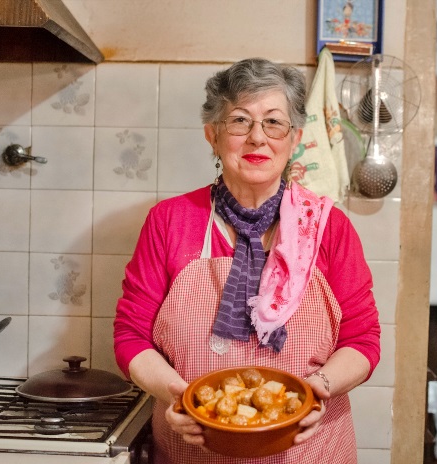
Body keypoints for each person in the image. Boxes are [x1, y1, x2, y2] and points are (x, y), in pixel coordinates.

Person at [114, 58, 381, 464]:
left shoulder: (329, 226)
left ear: (294, 139)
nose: (258, 138)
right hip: (192, 448)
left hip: (310, 450)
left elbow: (362, 340)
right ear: (213, 136)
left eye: (274, 122)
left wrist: (318, 388)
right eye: (239, 121)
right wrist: (179, 396)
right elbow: (130, 336)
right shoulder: (170, 221)